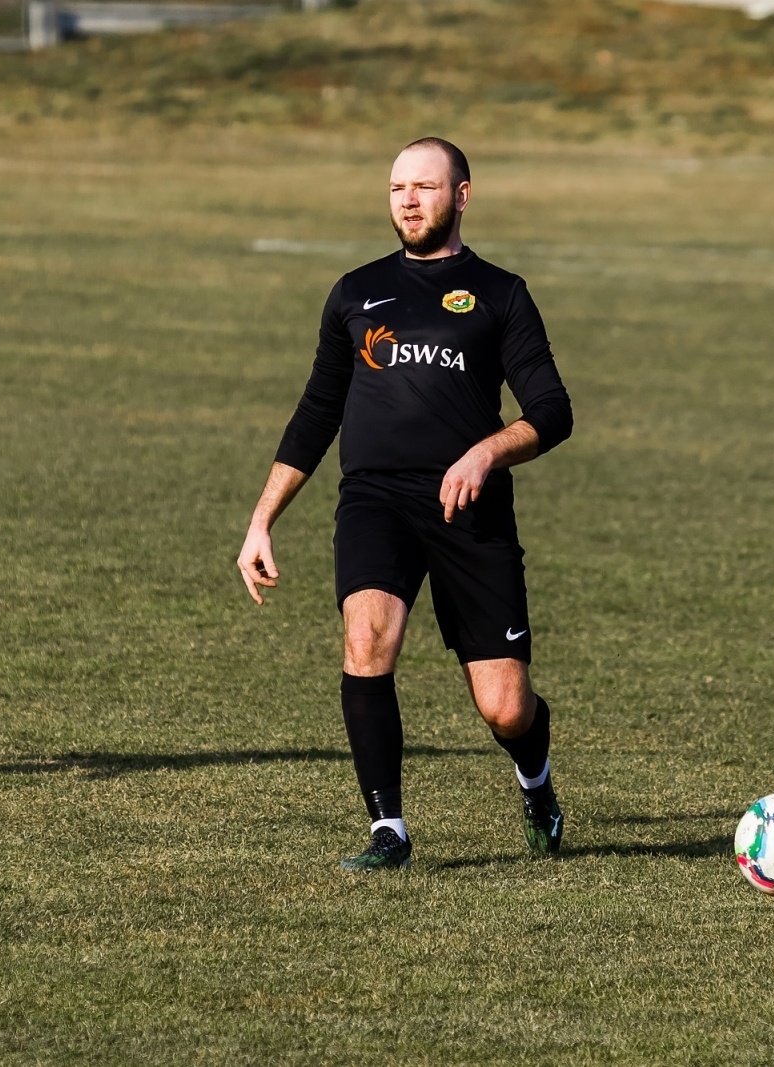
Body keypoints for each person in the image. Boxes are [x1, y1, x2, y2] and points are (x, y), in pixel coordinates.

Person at [235, 136, 574, 871]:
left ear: (462, 196)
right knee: (367, 641)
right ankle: (389, 828)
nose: (409, 200)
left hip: (468, 507)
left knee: (506, 707)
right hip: (375, 499)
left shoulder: (500, 293)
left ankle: (536, 783)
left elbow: (552, 409)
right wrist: (263, 518)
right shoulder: (355, 293)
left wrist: (487, 450)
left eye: (425, 186)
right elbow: (316, 412)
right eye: (397, 188)